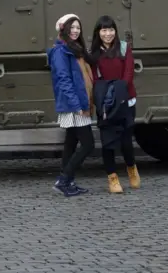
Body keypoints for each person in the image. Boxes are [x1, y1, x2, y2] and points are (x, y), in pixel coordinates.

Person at [90, 15, 140, 194]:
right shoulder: (94, 53)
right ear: (98, 32)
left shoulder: (124, 48)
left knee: (126, 141)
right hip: (106, 104)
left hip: (125, 100)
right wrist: (104, 97)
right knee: (107, 142)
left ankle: (131, 168)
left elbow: (128, 74)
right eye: (104, 30)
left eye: (111, 30)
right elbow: (95, 79)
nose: (108, 34)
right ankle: (112, 178)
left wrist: (117, 92)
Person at [48, 14, 96, 197]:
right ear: (63, 29)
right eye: (72, 27)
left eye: (78, 27)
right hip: (75, 104)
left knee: (71, 142)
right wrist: (77, 105)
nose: (75, 30)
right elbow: (63, 80)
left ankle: (67, 180)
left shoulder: (75, 49)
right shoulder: (61, 51)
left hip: (78, 102)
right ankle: (64, 179)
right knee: (88, 144)